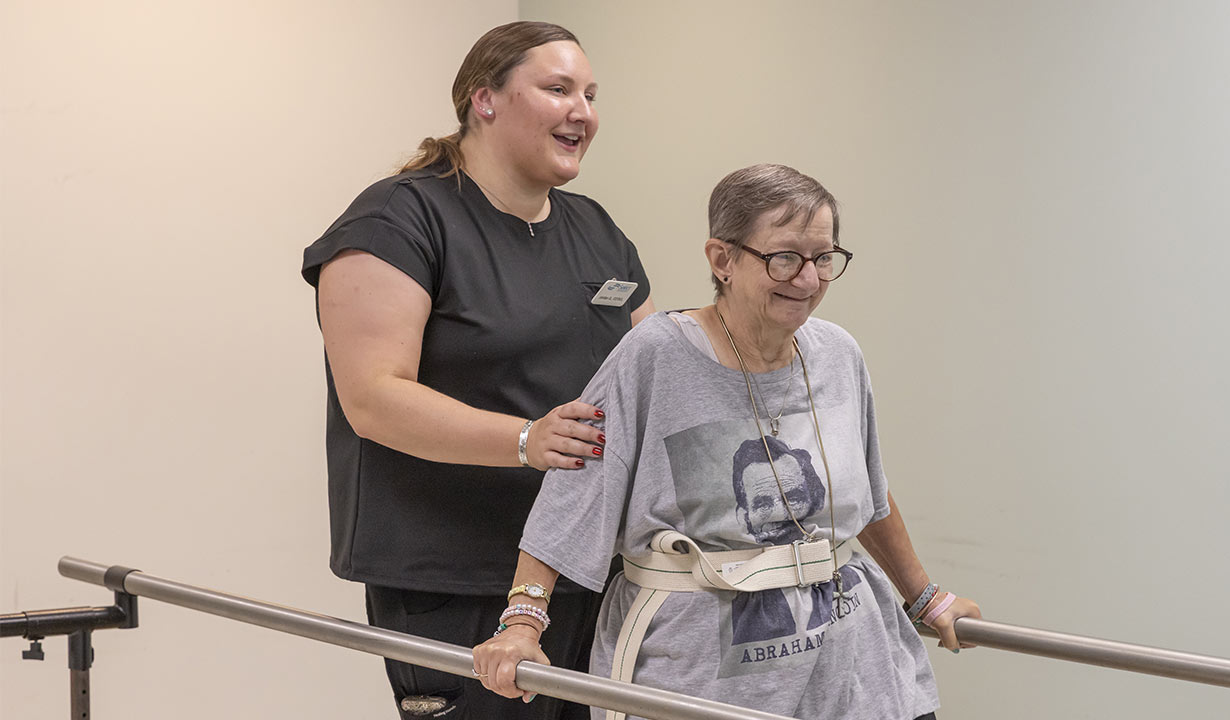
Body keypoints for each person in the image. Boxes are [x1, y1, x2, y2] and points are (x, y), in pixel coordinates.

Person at [472, 164, 980, 719]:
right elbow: (573, 497)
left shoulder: (838, 354)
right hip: (700, 678)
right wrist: (520, 625)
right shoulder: (655, 356)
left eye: (823, 258)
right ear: (722, 259)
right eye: (784, 257)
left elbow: (868, 496)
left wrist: (926, 598)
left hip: (854, 668)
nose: (808, 280)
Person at [300, 21, 654, 720]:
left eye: (589, 93)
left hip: (588, 567)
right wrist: (528, 440)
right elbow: (374, 397)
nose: (582, 111)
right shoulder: (399, 220)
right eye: (557, 89)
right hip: (459, 576)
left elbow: (651, 378)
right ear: (484, 100)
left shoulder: (596, 230)